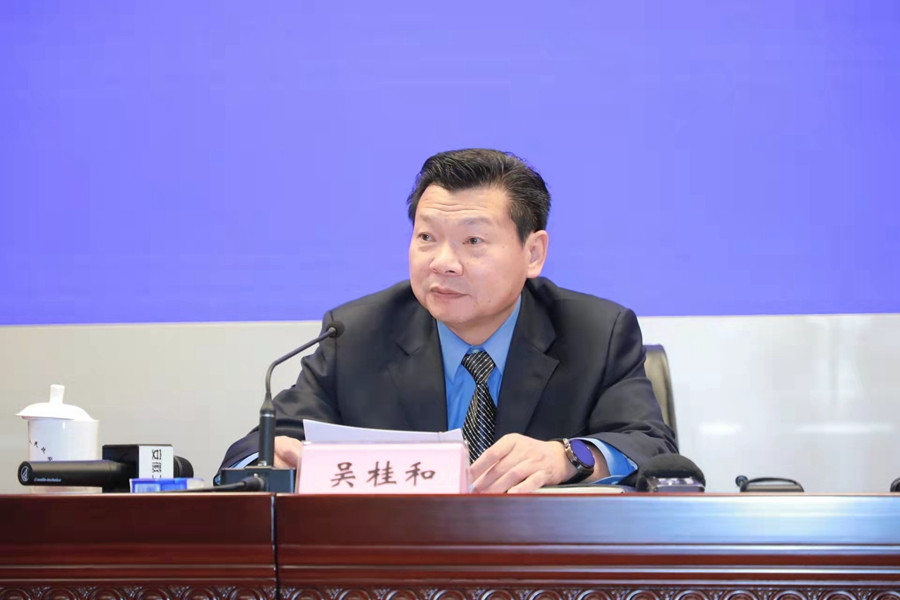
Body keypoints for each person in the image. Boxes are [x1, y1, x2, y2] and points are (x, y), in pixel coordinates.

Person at [219, 148, 676, 492]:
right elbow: (249, 453)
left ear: (533, 253)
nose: (443, 262)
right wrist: (272, 462)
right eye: (426, 237)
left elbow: (651, 447)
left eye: (473, 241)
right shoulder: (356, 335)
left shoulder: (596, 333)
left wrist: (568, 458)